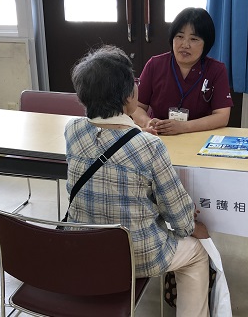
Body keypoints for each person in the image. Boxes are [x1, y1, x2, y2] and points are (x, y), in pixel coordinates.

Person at [65, 45, 211, 317]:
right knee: (196, 255)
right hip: (137, 254)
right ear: (130, 95)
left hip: (83, 246)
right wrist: (193, 226)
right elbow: (178, 216)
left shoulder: (72, 130)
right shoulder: (149, 145)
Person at [132, 7, 233, 135]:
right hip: (160, 136)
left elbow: (222, 116)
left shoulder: (216, 70)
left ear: (206, 43)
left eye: (194, 39)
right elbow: (137, 107)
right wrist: (148, 123)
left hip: (198, 136)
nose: (185, 45)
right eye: (179, 36)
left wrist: (184, 127)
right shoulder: (155, 65)